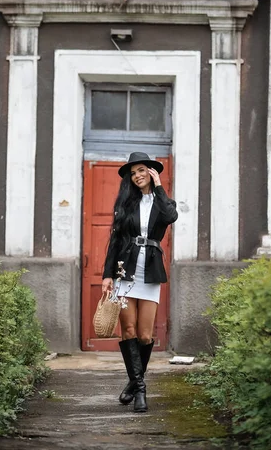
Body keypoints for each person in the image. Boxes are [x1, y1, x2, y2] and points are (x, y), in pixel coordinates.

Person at [102, 151, 178, 413]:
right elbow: (114, 241)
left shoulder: (163, 203)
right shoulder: (124, 205)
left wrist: (159, 188)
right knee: (129, 331)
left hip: (150, 272)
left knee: (146, 335)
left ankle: (133, 383)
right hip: (125, 272)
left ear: (152, 172)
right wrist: (107, 275)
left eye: (142, 170)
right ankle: (140, 389)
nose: (137, 176)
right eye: (133, 173)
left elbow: (171, 217)